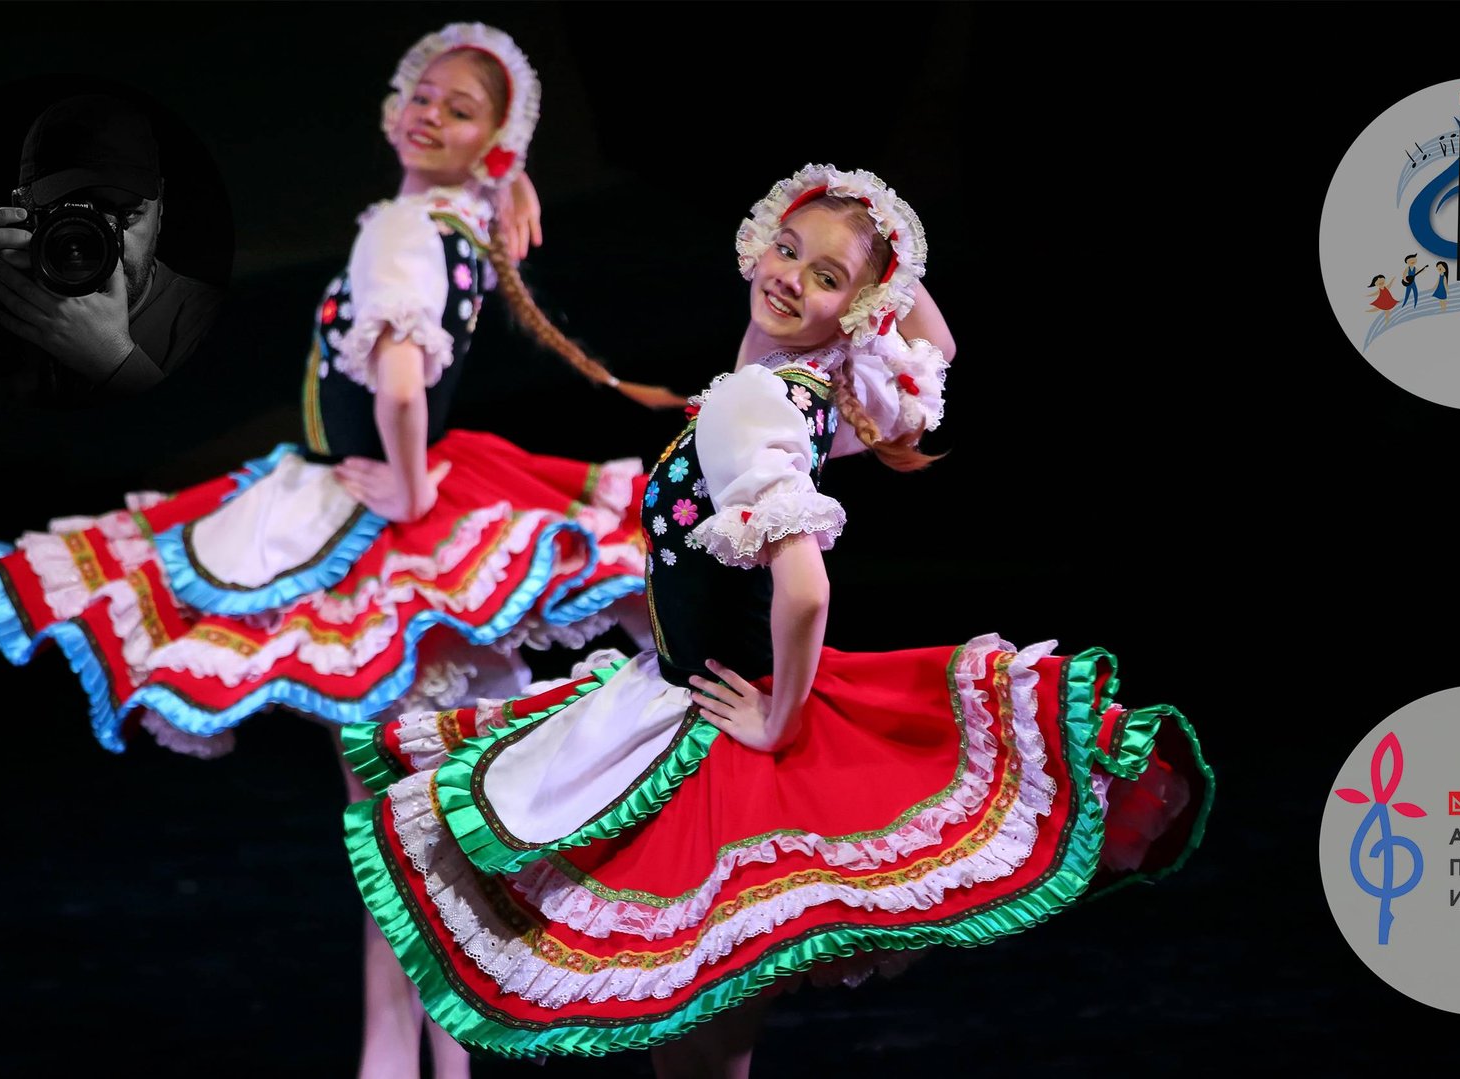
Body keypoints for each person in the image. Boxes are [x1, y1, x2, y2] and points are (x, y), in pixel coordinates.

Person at [340, 164, 1215, 1074]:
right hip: (685, 700)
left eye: (826, 278)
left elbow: (805, 588)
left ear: (856, 315)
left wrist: (778, 716)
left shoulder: (753, 405)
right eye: (789, 250)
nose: (790, 275)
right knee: (703, 1035)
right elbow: (939, 347)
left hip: (716, 728)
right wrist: (876, 253)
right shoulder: (806, 392)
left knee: (698, 1039)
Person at [0, 24, 676, 1076]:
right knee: (410, 826)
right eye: (423, 95)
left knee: (398, 830)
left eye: (457, 110)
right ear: (395, 104)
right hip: (400, 514)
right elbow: (455, 261)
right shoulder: (454, 212)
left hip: (379, 520)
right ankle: (413, 1053)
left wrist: (414, 480)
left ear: (486, 141)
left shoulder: (400, 234)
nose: (428, 112)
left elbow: (402, 375)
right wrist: (502, 173)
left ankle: (411, 1056)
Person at [0, 93, 223, 406]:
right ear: (22, 210)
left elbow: (219, 441)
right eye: (73, 217)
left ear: (160, 209)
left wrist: (117, 361)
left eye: (127, 214)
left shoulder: (206, 319)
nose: (102, 241)